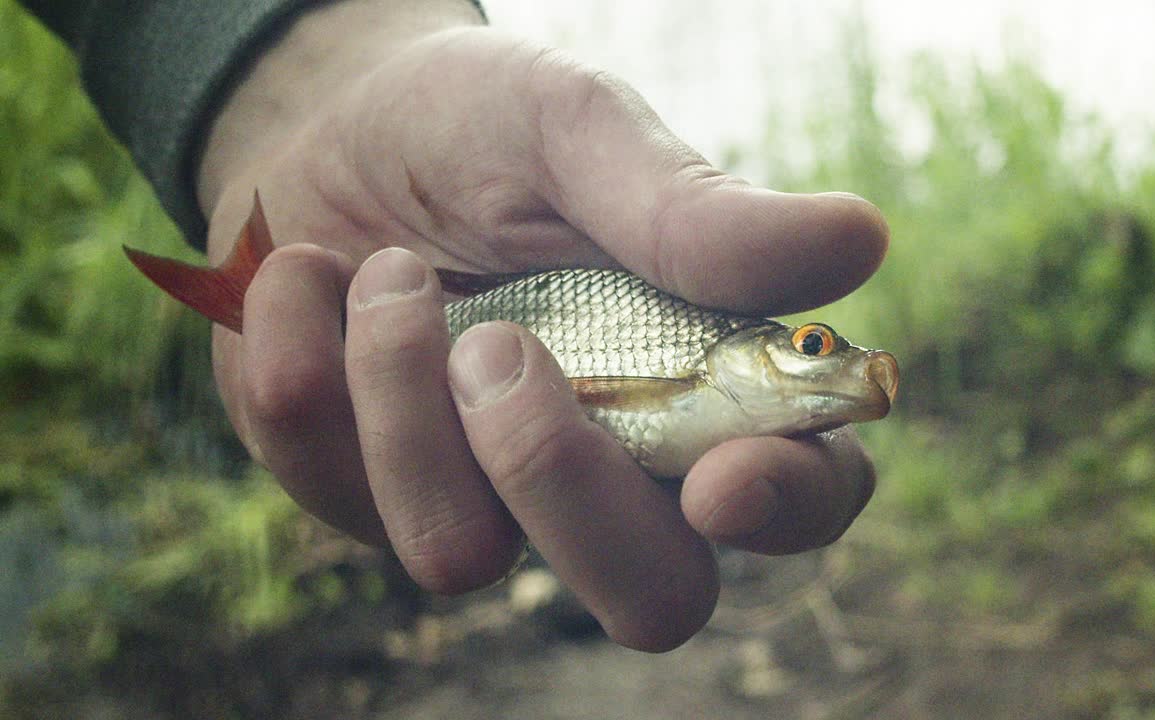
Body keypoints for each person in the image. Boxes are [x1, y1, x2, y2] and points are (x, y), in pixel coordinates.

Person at [19, 0, 889, 652]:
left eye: (821, 349)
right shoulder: (697, 362)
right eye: (812, 346)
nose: (831, 361)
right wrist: (298, 71)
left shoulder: (729, 390)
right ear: (745, 350)